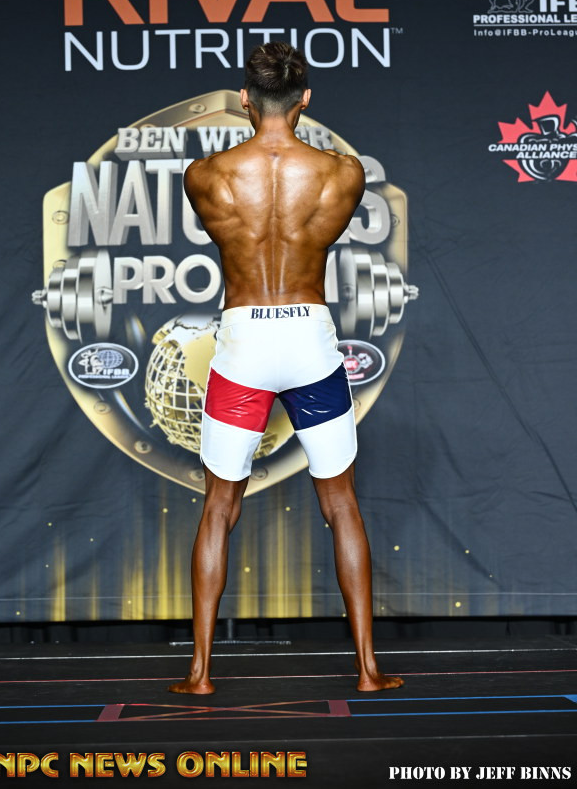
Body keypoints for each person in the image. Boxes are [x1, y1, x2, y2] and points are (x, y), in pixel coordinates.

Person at [168, 42, 404, 695]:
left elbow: (226, 234)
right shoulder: (343, 174)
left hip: (244, 341)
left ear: (245, 99)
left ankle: (200, 674)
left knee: (219, 506)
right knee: (341, 504)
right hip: (309, 340)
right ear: (305, 100)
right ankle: (368, 670)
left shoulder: (204, 175)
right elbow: (319, 233)